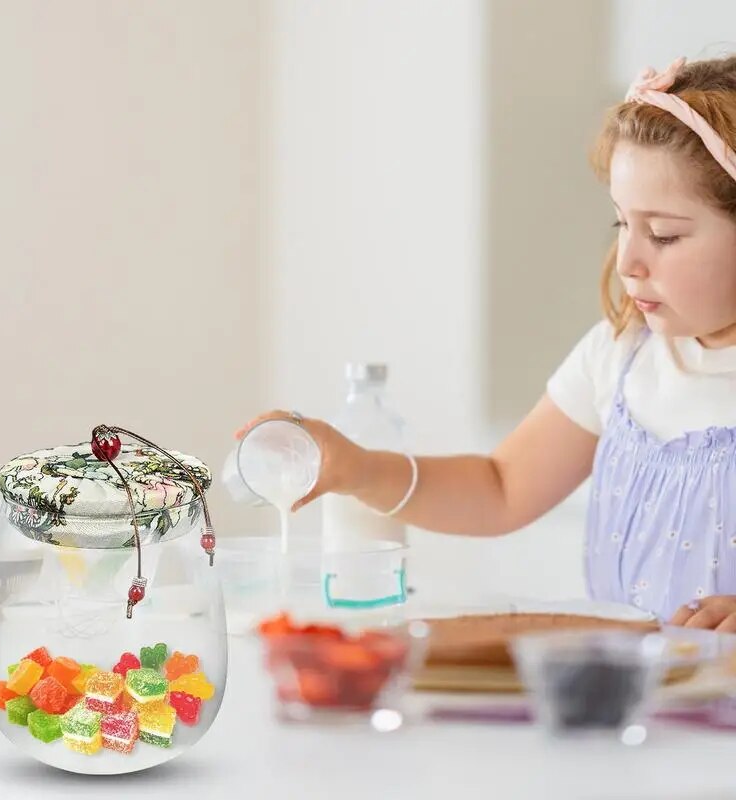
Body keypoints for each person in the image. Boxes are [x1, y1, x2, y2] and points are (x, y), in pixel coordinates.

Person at [237, 55, 736, 631]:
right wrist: (356, 468)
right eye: (621, 224)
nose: (628, 261)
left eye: (665, 235)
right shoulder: (620, 355)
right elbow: (500, 488)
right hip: (624, 698)